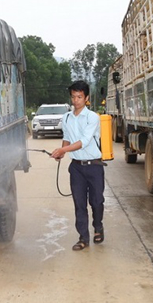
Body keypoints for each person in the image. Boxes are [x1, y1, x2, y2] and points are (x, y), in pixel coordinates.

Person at [50, 80, 105, 251]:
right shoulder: (66, 117)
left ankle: (98, 227)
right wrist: (61, 153)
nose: (76, 100)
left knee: (96, 201)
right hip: (76, 168)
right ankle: (83, 238)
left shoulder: (92, 117)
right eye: (73, 97)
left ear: (86, 98)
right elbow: (67, 137)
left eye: (79, 97)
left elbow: (84, 141)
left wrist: (63, 149)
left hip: (94, 166)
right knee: (79, 203)